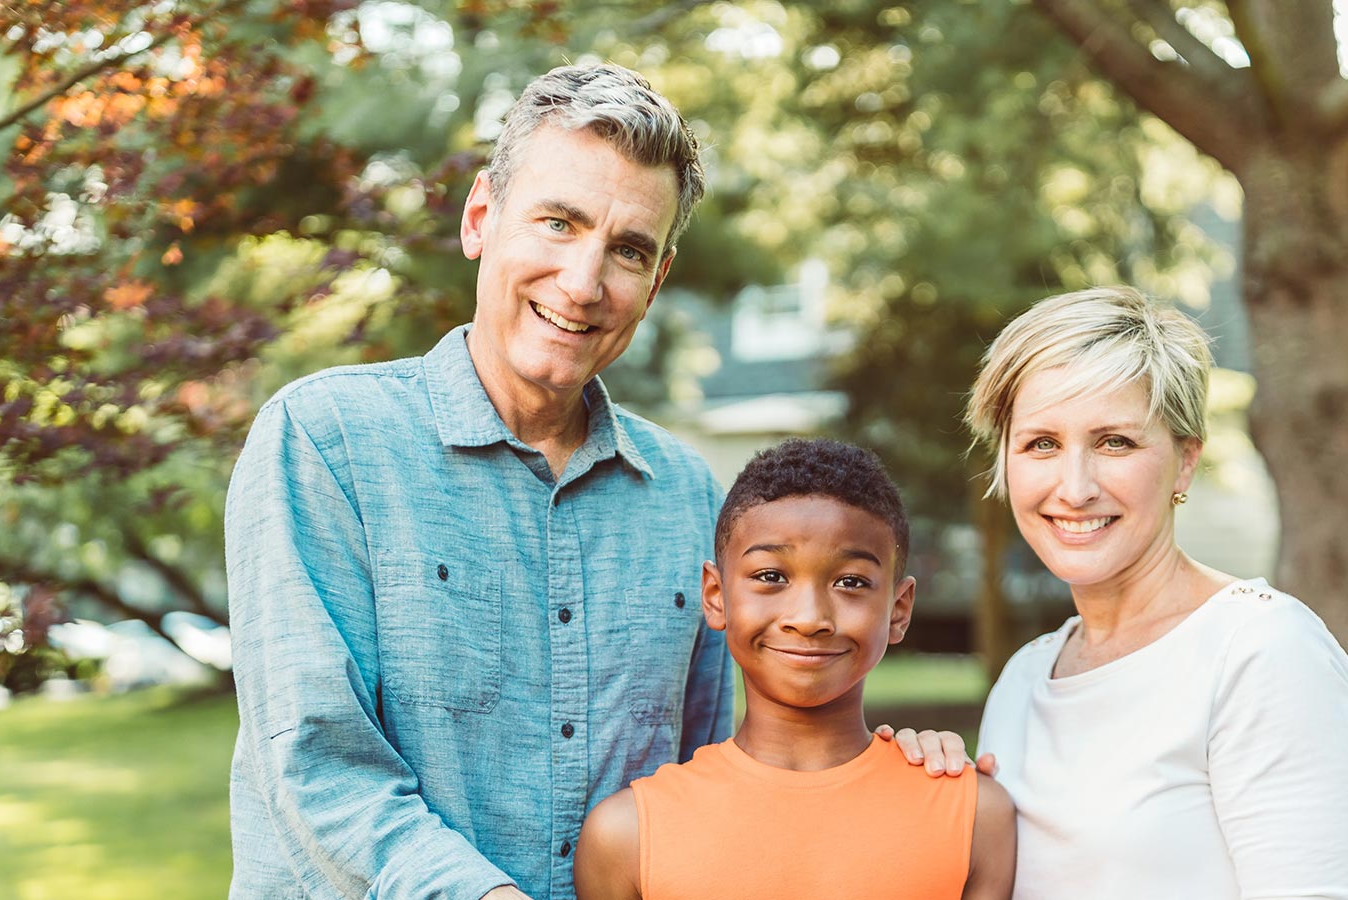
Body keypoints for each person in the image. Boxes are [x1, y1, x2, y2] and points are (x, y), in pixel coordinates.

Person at [225, 63, 965, 900]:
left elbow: (701, 787)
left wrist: (895, 772)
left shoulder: (687, 493)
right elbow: (317, 763)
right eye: (557, 223)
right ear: (480, 217)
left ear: (658, 279)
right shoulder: (326, 442)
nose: (583, 283)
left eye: (627, 249)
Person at [965, 286, 1348, 899]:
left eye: (1115, 442)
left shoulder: (1260, 652)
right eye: (1041, 443)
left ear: (1184, 462)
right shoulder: (1024, 679)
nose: (1074, 488)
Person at [573, 439, 1017, 900]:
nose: (808, 618)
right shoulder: (628, 836)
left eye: (851, 582)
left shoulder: (974, 817)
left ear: (898, 609)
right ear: (715, 595)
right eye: (771, 576)